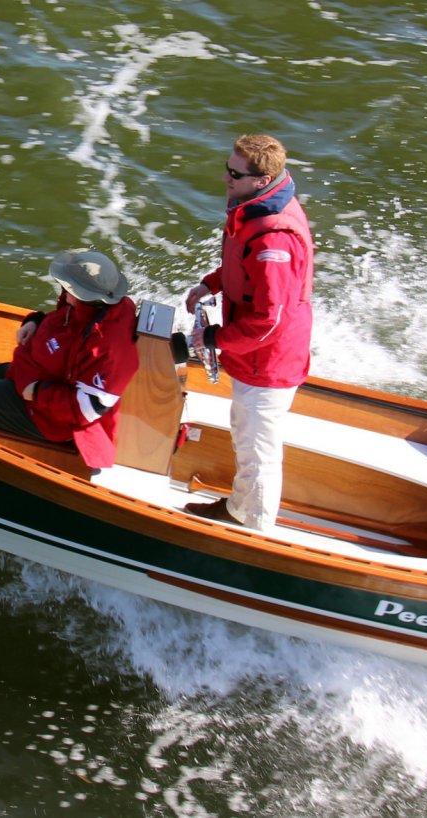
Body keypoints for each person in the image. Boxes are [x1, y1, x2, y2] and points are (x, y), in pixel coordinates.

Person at [183, 134, 315, 531]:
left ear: (261, 180)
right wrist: (211, 284)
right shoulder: (255, 208)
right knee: (245, 430)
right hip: (254, 357)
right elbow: (242, 271)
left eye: (234, 173)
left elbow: (269, 319)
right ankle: (239, 509)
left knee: (259, 448)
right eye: (227, 168)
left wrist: (215, 340)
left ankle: (253, 530)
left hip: (269, 361)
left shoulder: (275, 239)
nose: (226, 178)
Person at [0, 249, 140, 471]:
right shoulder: (95, 308)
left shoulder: (108, 347)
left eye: (67, 286)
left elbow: (87, 409)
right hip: (30, 378)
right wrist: (36, 321)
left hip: (49, 416)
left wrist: (36, 391)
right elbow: (65, 320)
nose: (62, 289)